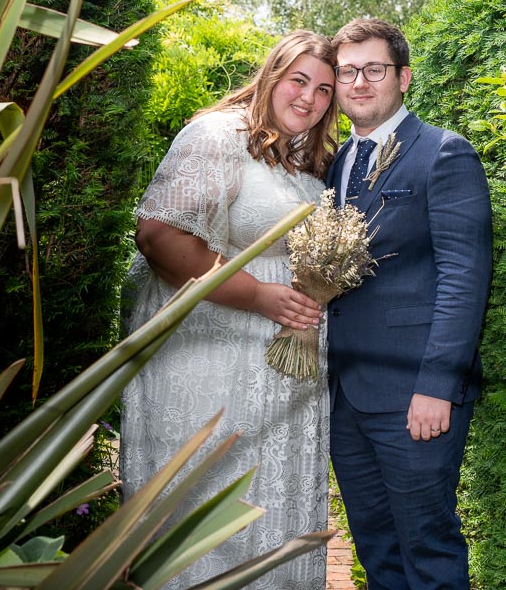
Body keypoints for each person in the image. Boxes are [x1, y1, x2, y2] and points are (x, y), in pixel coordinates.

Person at [119, 30, 340, 590]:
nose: (309, 99)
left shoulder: (309, 162)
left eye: (324, 90)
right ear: (270, 75)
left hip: (283, 370)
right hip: (210, 362)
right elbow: (160, 236)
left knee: (271, 506)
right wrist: (260, 295)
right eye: (298, 80)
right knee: (209, 502)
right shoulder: (218, 135)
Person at [325, 17, 493, 590]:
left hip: (415, 396)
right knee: (376, 551)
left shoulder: (444, 153)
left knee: (429, 551)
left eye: (374, 69)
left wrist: (437, 387)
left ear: (404, 77)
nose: (360, 82)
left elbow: (463, 277)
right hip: (345, 395)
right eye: (348, 72)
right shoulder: (334, 165)